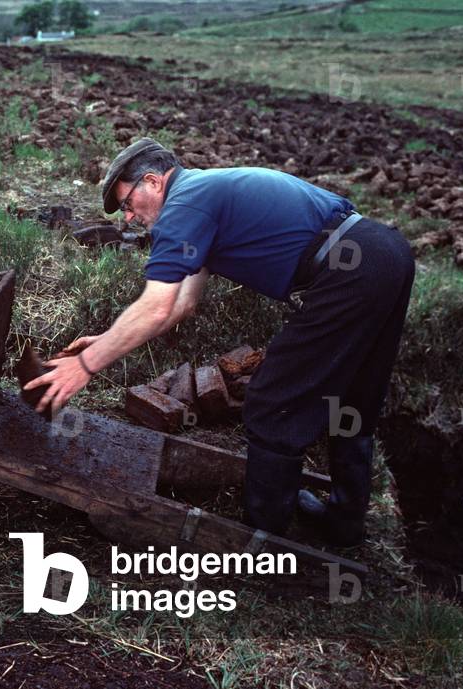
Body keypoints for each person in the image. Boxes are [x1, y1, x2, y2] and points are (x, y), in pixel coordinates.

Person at [22, 137, 415, 546]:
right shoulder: (202, 195)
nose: (129, 219)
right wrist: (105, 341)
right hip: (384, 255)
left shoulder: (184, 206)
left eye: (128, 204)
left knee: (272, 402)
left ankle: (263, 541)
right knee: (353, 398)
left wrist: (84, 367)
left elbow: (155, 307)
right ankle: (343, 521)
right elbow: (179, 305)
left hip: (350, 270)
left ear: (154, 182)